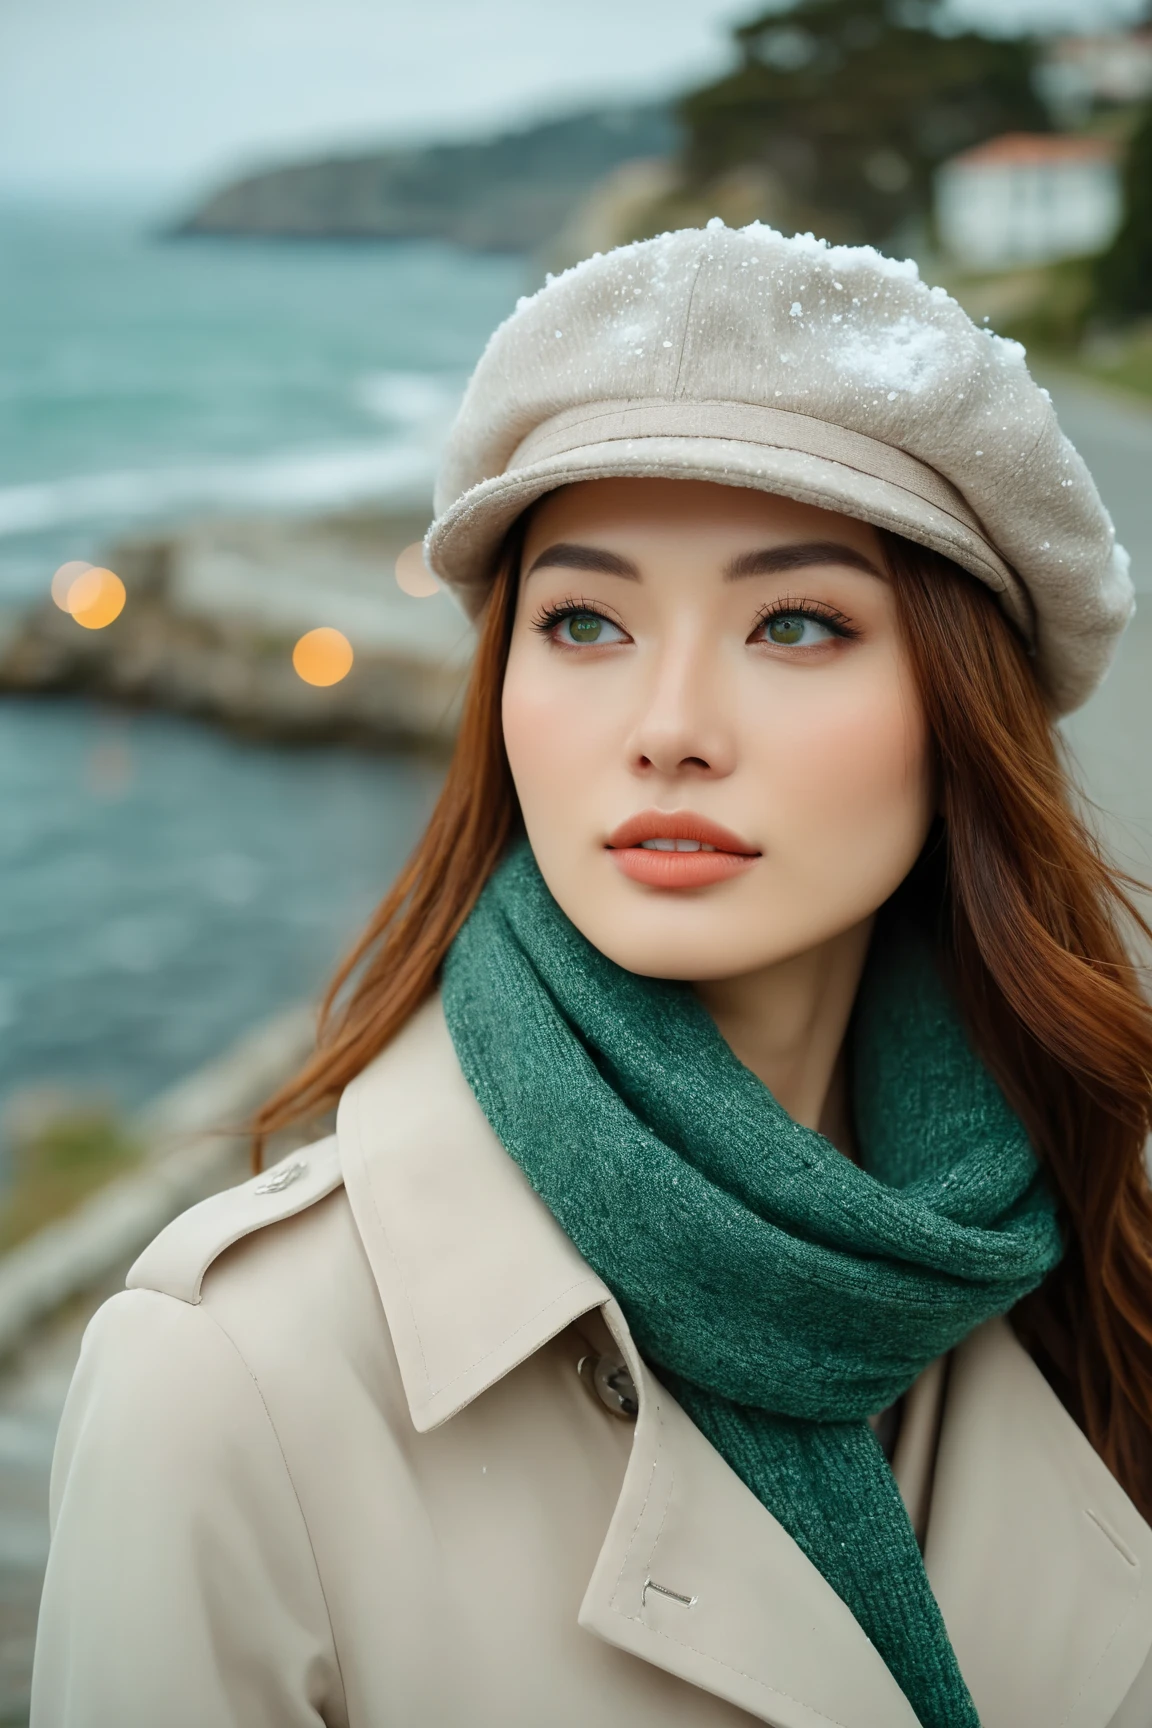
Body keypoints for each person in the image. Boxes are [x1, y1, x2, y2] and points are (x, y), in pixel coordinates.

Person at [31, 223, 1152, 1728]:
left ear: (962, 713)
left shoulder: (1080, 1254)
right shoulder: (226, 1383)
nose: (670, 724)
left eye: (797, 622)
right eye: (585, 622)